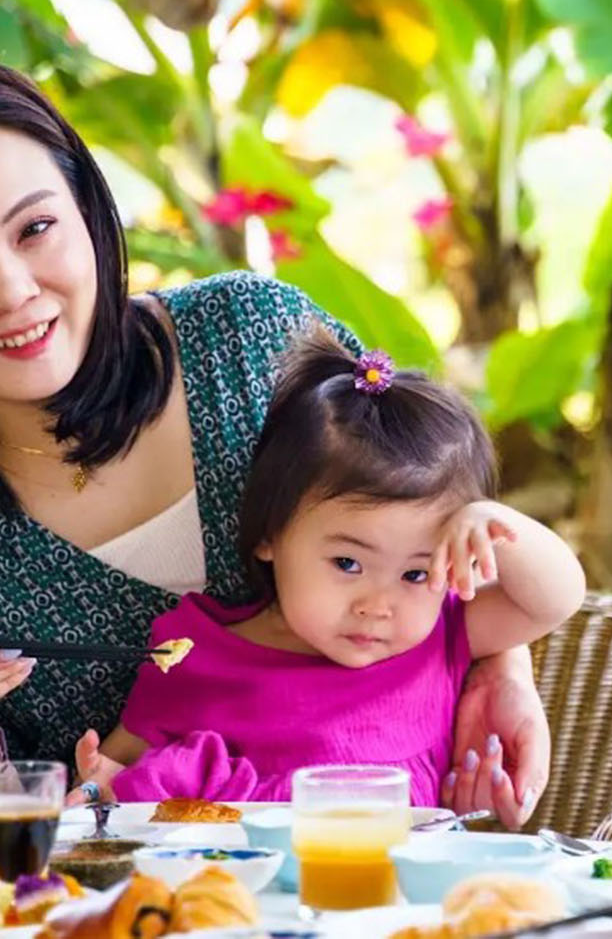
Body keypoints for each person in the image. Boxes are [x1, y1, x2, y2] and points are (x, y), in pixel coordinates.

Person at [0, 55, 553, 826]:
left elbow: (437, 508)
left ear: (90, 216)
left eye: (34, 228)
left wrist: (499, 665)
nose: (12, 289)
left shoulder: (253, 344)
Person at [68, 329, 585, 803]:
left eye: (415, 574)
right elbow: (113, 768)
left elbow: (558, 598)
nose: (377, 607)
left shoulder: (440, 635)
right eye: (346, 562)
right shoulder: (194, 653)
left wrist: (495, 523)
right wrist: (93, 788)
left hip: (398, 896)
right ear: (270, 535)